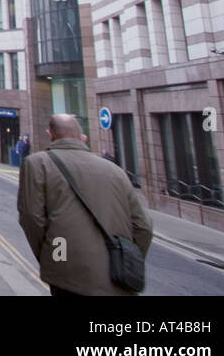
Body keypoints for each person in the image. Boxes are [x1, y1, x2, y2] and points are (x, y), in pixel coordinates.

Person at [17, 114, 152, 296]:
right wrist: (128, 260)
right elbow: (143, 226)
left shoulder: (37, 163)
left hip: (69, 274)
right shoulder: (116, 171)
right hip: (119, 277)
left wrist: (52, 256)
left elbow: (31, 218)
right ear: (83, 138)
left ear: (51, 135)